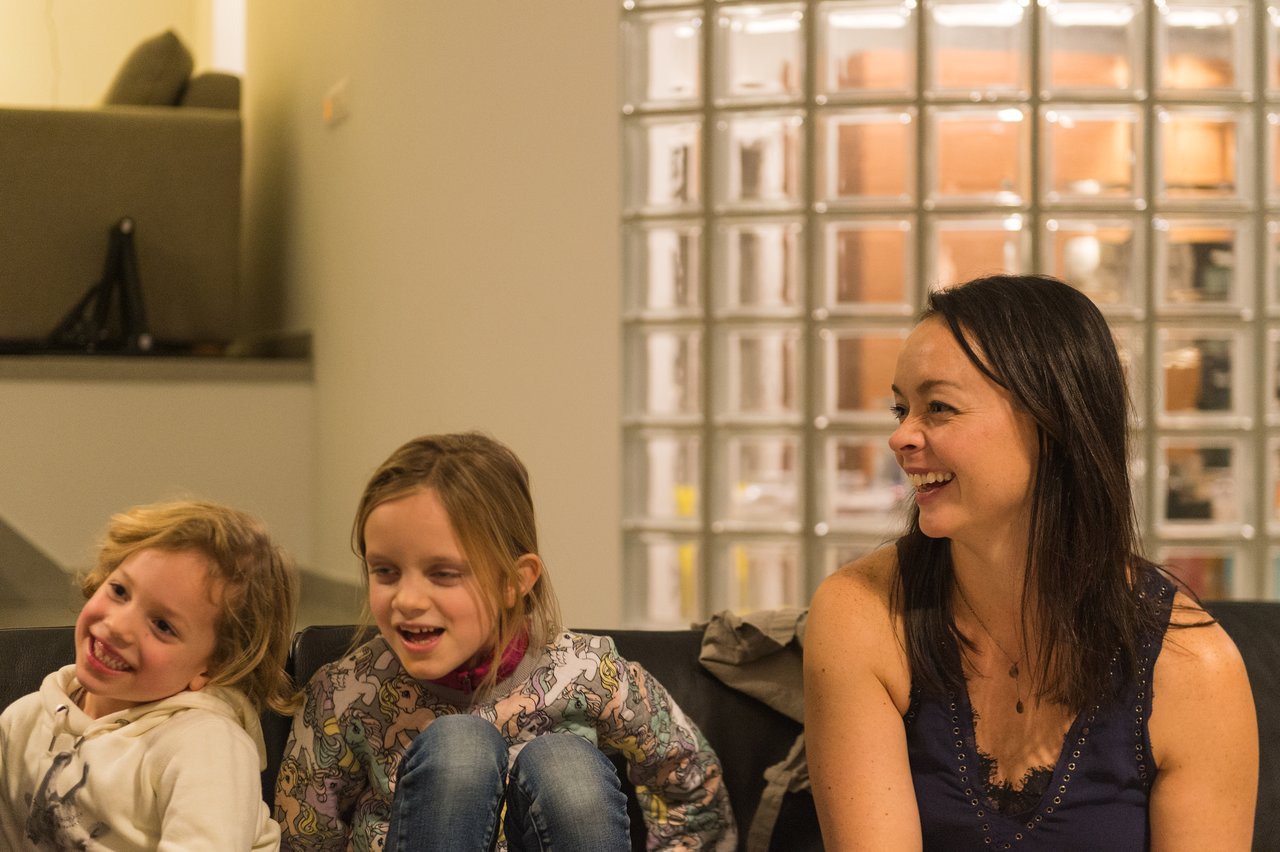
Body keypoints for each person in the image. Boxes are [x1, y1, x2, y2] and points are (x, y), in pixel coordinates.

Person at [804, 274, 1258, 851]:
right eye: (902, 408)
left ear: (1053, 425)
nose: (901, 438)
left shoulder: (1194, 666)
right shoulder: (862, 613)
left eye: (939, 407)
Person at [275, 431, 735, 852]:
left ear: (514, 582)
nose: (408, 600)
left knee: (566, 766)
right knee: (461, 748)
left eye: (443, 573)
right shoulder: (346, 693)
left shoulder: (591, 674)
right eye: (386, 571)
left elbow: (694, 788)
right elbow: (303, 839)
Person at [0, 499, 298, 851]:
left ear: (215, 665)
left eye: (162, 626)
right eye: (120, 591)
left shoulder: (206, 747)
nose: (117, 627)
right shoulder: (22, 721)